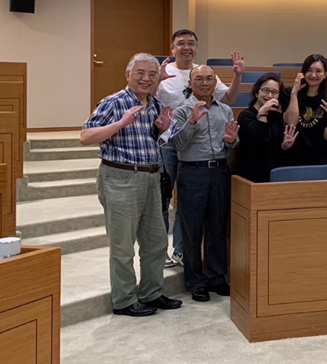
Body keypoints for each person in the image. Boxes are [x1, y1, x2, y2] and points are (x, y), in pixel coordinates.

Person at [80, 53, 182, 317]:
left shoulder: (157, 104)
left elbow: (156, 142)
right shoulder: (113, 102)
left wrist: (162, 130)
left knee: (156, 242)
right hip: (121, 178)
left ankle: (151, 292)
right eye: (141, 73)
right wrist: (121, 122)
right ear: (128, 75)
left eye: (152, 74)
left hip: (151, 177)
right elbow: (86, 136)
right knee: (123, 245)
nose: (146, 78)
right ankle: (124, 300)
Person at [156, 28, 245, 268]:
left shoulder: (203, 72)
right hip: (169, 141)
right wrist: (158, 81)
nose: (186, 47)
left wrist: (238, 76)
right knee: (163, 198)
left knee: (186, 203)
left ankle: (181, 250)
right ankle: (160, 251)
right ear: (172, 47)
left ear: (196, 48)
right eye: (181, 43)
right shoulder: (163, 72)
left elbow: (228, 99)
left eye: (191, 43)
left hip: (198, 142)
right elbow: (148, 102)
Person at [170, 65, 239, 302]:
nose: (205, 83)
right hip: (192, 173)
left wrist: (232, 141)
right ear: (190, 83)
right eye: (199, 79)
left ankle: (217, 277)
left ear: (215, 82)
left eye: (209, 78)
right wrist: (191, 122)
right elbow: (177, 144)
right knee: (192, 230)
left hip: (219, 172)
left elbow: (232, 143)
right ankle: (195, 281)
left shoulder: (225, 110)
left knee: (218, 227)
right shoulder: (181, 111)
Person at [236, 73, 298, 182]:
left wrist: (284, 146)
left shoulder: (277, 117)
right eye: (265, 90)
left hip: (273, 175)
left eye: (274, 92)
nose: (269, 95)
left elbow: (277, 147)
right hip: (251, 176)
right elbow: (261, 140)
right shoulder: (246, 116)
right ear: (256, 93)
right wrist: (262, 114)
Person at [283, 54, 327, 166]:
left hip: (321, 159)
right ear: (303, 73)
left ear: (325, 74)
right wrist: (294, 94)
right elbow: (291, 123)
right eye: (309, 70)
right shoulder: (289, 93)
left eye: (318, 71)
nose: (313, 75)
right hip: (293, 157)